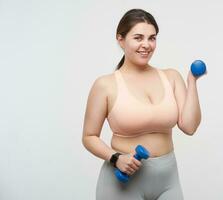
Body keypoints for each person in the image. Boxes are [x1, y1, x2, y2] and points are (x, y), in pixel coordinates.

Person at [82, 8, 205, 200]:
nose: (146, 45)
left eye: (152, 38)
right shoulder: (105, 85)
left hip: (167, 180)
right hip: (122, 181)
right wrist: (115, 158)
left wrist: (192, 82)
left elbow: (189, 127)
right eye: (138, 38)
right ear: (120, 39)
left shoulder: (171, 77)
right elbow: (89, 137)